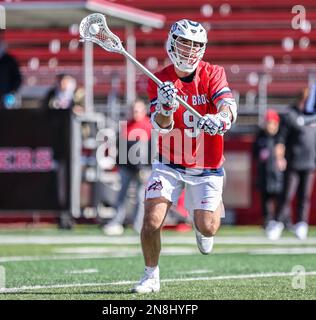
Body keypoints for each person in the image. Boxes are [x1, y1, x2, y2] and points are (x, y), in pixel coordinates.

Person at [132, 19, 238, 293]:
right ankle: (150, 275)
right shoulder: (159, 79)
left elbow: (228, 105)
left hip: (207, 164)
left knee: (208, 228)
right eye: (184, 43)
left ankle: (204, 220)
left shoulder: (213, 73)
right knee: (152, 220)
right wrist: (166, 106)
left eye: (195, 45)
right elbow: (161, 124)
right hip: (170, 162)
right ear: (172, 42)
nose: (189, 50)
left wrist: (221, 119)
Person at [265, 89, 316, 241]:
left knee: (305, 196)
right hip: (293, 162)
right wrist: (280, 158)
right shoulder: (289, 115)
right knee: (286, 194)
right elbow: (280, 140)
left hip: (310, 162)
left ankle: (301, 223)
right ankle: (278, 223)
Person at [103, 98, 152, 235]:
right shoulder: (126, 125)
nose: (135, 112)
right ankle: (116, 222)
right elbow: (121, 147)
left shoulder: (149, 125)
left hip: (143, 168)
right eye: (133, 110)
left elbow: (151, 148)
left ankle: (138, 225)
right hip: (127, 167)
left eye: (138, 110)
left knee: (140, 196)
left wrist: (146, 166)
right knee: (121, 196)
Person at [253, 109, 285, 229]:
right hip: (264, 173)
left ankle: (282, 220)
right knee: (265, 200)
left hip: (278, 174)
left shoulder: (280, 136)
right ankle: (268, 221)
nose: (268, 125)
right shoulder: (261, 135)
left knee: (281, 199)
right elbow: (255, 152)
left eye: (271, 122)